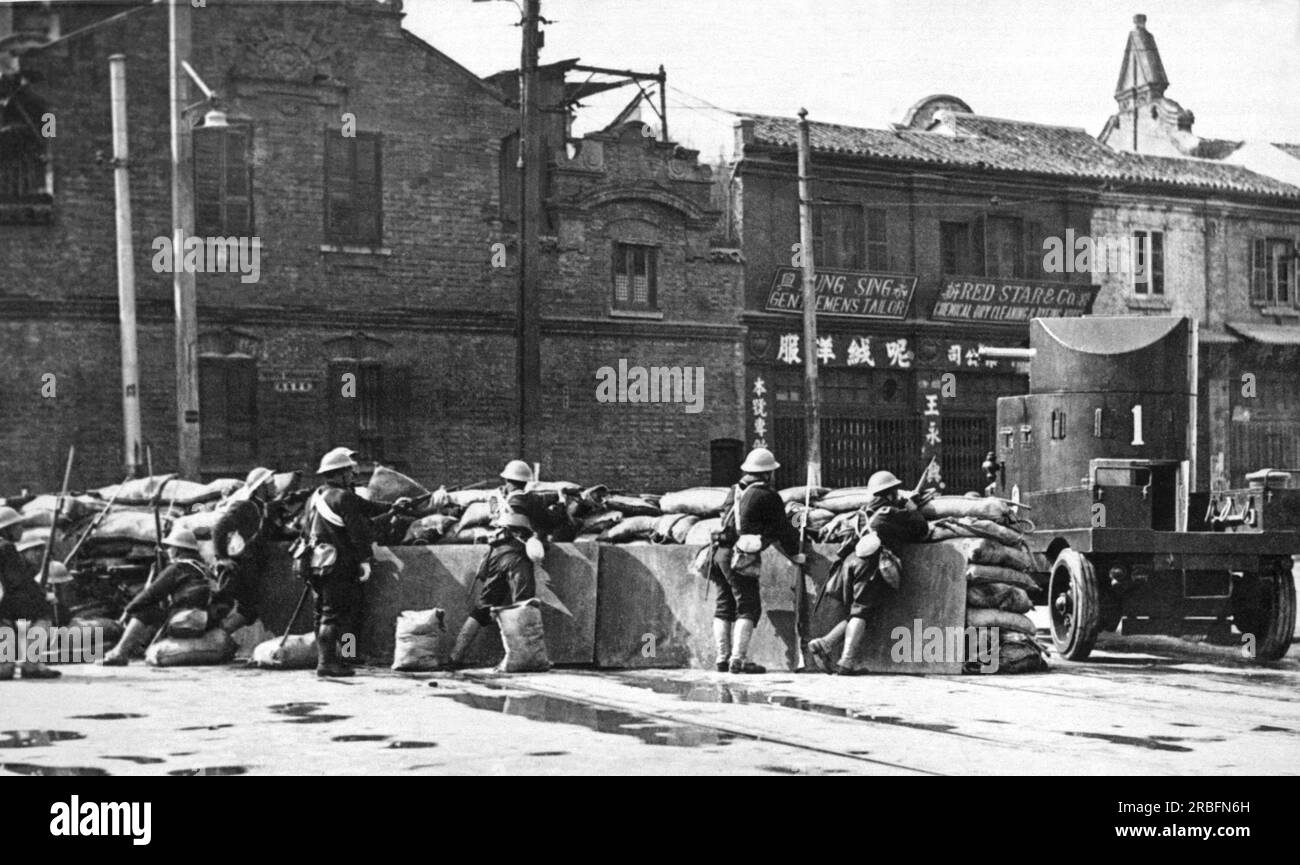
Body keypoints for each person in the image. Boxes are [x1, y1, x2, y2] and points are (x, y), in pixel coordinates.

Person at [807, 470, 931, 675]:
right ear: (890, 494)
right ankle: (846, 662)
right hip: (870, 565)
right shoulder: (889, 514)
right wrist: (913, 509)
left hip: (850, 565)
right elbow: (921, 529)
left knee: (860, 612)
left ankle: (825, 643)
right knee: (862, 612)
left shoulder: (861, 513)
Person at [709, 447, 805, 675]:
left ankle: (722, 658)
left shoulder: (734, 491)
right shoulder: (768, 496)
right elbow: (782, 529)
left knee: (724, 606)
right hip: (740, 557)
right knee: (749, 606)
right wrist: (795, 554)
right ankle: (738, 659)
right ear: (768, 473)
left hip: (719, 554)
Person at [296, 447, 385, 677]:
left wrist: (395, 507)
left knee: (324, 614)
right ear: (341, 473)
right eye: (349, 472)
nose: (353, 476)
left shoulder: (315, 498)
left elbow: (368, 508)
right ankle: (331, 662)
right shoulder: (343, 497)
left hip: (316, 565)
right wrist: (365, 560)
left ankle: (339, 658)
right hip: (340, 566)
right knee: (339, 615)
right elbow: (358, 533)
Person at [100, 526, 214, 666]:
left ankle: (119, 652)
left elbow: (151, 594)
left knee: (145, 611)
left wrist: (128, 611)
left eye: (170, 547)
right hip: (207, 619)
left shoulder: (178, 568)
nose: (168, 551)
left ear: (177, 549)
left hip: (185, 616)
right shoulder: (204, 568)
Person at [446, 510, 537, 668]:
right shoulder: (520, 549)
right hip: (515, 569)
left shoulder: (493, 549)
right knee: (523, 607)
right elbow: (523, 598)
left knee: (480, 611)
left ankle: (455, 657)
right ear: (519, 530)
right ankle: (524, 659)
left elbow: (482, 574)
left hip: (494, 575)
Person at [210, 466, 276, 635]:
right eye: (271, 483)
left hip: (251, 565)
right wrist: (221, 557)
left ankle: (218, 637)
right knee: (224, 605)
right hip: (240, 566)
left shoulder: (262, 508)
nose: (274, 486)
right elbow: (219, 528)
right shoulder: (245, 506)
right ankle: (212, 636)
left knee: (249, 610)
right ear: (261, 487)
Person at [0, 506, 61, 679]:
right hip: (3, 606)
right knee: (43, 611)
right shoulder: (6, 548)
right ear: (7, 529)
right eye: (18, 526)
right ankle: (31, 665)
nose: (22, 530)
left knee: (4, 671)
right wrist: (44, 596)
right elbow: (19, 582)